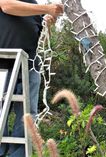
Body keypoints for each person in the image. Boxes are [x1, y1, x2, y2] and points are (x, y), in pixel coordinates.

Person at [0, 0, 63, 156]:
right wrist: (47, 8)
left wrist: (48, 22)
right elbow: (6, 6)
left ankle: (19, 154)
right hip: (3, 64)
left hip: (29, 67)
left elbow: (41, 34)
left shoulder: (34, 6)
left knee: (28, 115)